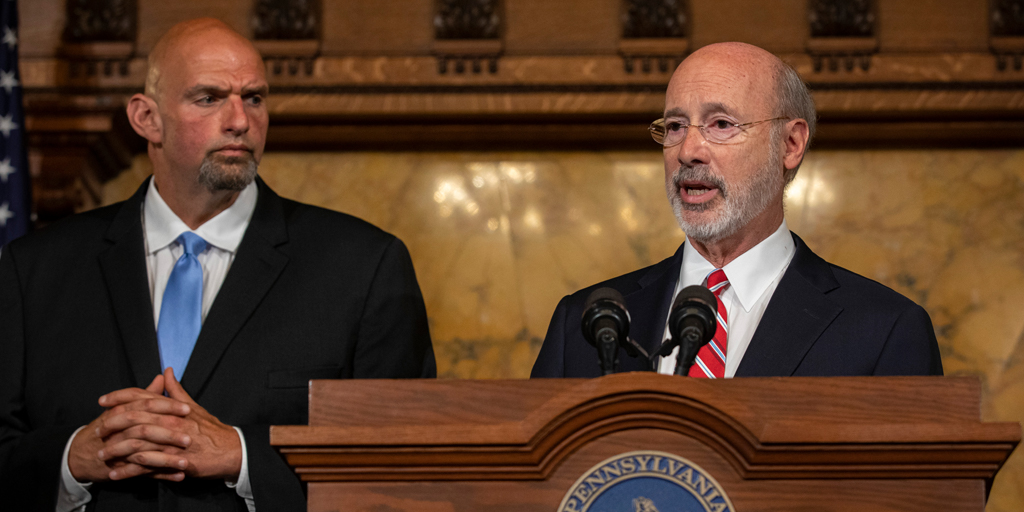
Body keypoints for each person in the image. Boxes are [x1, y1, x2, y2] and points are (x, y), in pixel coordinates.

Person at [0, 18, 435, 511]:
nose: (240, 120)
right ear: (146, 118)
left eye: (253, 97)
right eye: (208, 98)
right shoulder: (33, 269)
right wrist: (70, 460)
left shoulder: (364, 266)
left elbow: (405, 467)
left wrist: (244, 456)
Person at [531, 42, 942, 379]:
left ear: (790, 144)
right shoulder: (585, 324)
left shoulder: (885, 330)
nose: (688, 151)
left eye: (722, 124)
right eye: (675, 127)